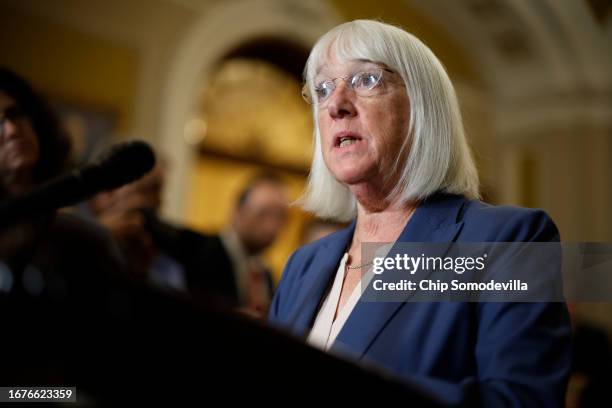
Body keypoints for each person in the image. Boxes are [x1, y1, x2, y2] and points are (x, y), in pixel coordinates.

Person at [267, 20, 571, 406]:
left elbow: (522, 401)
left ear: (422, 110)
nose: (336, 105)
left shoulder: (507, 242)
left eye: (365, 80)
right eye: (323, 88)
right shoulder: (302, 267)